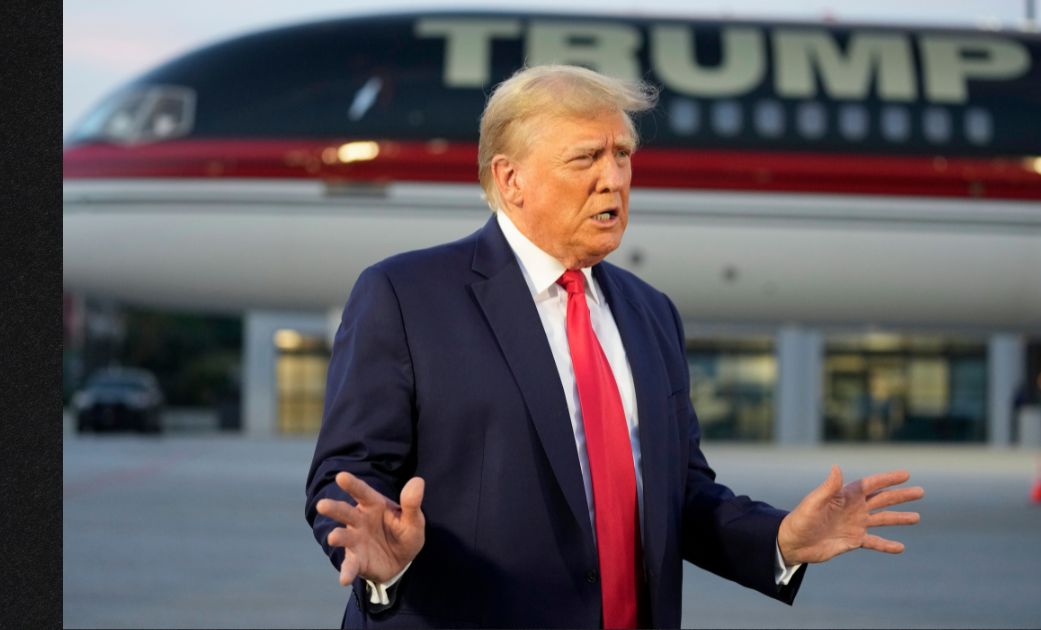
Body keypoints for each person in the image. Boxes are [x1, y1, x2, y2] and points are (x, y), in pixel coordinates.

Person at [305, 64, 923, 629]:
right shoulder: (406, 295)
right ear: (510, 178)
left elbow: (680, 494)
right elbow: (347, 478)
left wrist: (780, 540)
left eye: (623, 154)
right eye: (586, 158)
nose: (614, 178)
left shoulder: (651, 313)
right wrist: (382, 556)